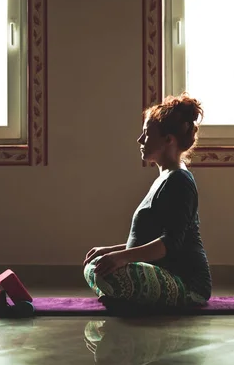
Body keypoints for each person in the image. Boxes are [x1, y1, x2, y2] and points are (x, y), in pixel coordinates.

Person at [83, 92, 212, 308]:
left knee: (107, 273)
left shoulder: (180, 181)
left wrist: (121, 258)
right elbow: (148, 240)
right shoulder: (166, 177)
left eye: (146, 134)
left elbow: (169, 244)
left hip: (188, 285)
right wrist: (112, 251)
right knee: (95, 264)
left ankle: (128, 295)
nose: (140, 140)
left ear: (168, 140)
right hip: (161, 270)